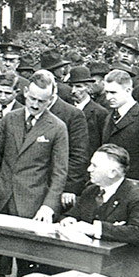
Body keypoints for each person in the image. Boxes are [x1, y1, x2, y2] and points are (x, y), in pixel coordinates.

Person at [0, 70, 69, 277]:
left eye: (42, 101)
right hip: (1, 200)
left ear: (50, 100)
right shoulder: (9, 119)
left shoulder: (57, 127)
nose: (36, 105)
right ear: (25, 93)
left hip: (32, 207)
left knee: (28, 267)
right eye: (32, 99)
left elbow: (59, 173)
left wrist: (48, 206)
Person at [59, 144, 139, 277]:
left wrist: (95, 229)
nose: (89, 169)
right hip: (87, 262)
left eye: (94, 166)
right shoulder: (90, 191)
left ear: (113, 173)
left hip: (122, 270)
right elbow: (71, 214)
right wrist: (68, 220)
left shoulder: (136, 197)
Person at [47, 72, 90, 206]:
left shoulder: (72, 114)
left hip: (57, 182)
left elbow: (78, 153)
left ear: (54, 91)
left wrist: (70, 187)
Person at [70, 65, 108, 161]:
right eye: (71, 86)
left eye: (78, 87)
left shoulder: (100, 113)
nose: (73, 91)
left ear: (88, 87)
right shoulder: (66, 109)